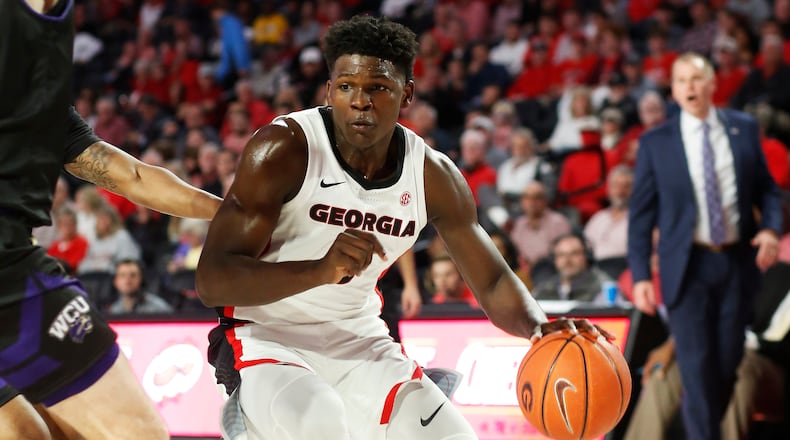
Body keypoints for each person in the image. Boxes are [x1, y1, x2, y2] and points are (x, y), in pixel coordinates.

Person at [196, 15, 607, 440]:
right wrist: (318, 271)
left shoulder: (432, 175)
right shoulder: (284, 148)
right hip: (263, 338)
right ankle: (248, 421)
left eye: (377, 88)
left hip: (359, 339)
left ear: (405, 93)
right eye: (346, 87)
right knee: (320, 421)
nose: (360, 101)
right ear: (329, 90)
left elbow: (494, 278)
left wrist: (539, 327)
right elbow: (212, 280)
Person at [0, 1, 222, 438]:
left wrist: (230, 212)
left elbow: (132, 176)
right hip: (8, 276)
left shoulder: (42, 88)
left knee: (27, 433)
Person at [628, 52, 783, 440]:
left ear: (713, 82)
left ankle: (700, 426)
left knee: (727, 364)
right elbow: (641, 216)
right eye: (681, 81)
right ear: (674, 90)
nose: (690, 87)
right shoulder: (655, 142)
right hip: (687, 267)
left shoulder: (743, 128)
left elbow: (768, 190)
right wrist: (643, 274)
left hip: (735, 262)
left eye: (696, 78)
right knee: (696, 367)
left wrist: (771, 230)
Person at [624, 263, 790, 440]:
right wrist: (673, 345)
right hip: (732, 349)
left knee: (737, 365)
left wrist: (738, 343)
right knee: (666, 371)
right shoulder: (777, 273)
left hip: (775, 367)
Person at [532, 233, 613, 302]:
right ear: (554, 260)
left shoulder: (604, 287)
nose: (567, 260)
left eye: (574, 254)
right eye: (561, 255)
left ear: (586, 256)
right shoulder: (544, 289)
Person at [108, 259, 173, 315]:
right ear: (115, 282)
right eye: (122, 275)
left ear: (142, 279)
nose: (128, 280)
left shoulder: (159, 309)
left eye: (133, 275)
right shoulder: (113, 310)